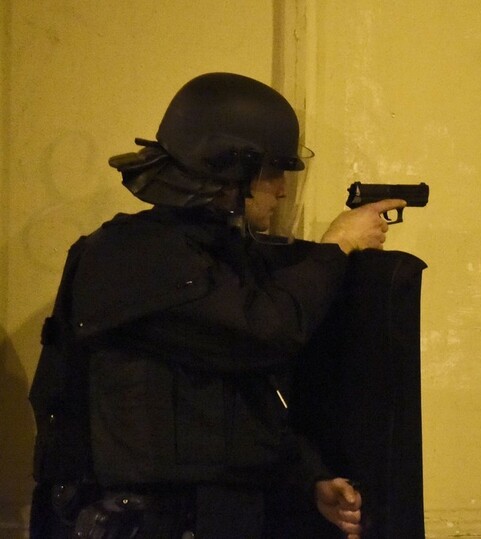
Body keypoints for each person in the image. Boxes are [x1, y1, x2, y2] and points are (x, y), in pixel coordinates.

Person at [29, 72, 405, 538]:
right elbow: (268, 331)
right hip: (147, 523)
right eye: (272, 172)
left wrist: (308, 479)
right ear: (230, 172)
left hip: (208, 515)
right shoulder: (135, 255)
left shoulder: (203, 252)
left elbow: (232, 400)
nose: (281, 190)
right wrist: (337, 246)